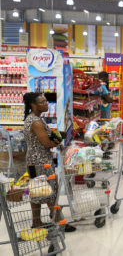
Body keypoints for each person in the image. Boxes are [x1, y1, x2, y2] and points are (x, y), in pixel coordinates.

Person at [23, 93, 76, 232]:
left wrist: (56, 135)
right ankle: (60, 222)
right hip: (41, 162)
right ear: (33, 105)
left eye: (46, 101)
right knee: (49, 191)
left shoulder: (33, 118)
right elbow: (46, 143)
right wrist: (59, 138)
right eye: (42, 102)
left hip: (34, 161)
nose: (46, 104)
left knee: (36, 191)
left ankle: (36, 222)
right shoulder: (36, 122)